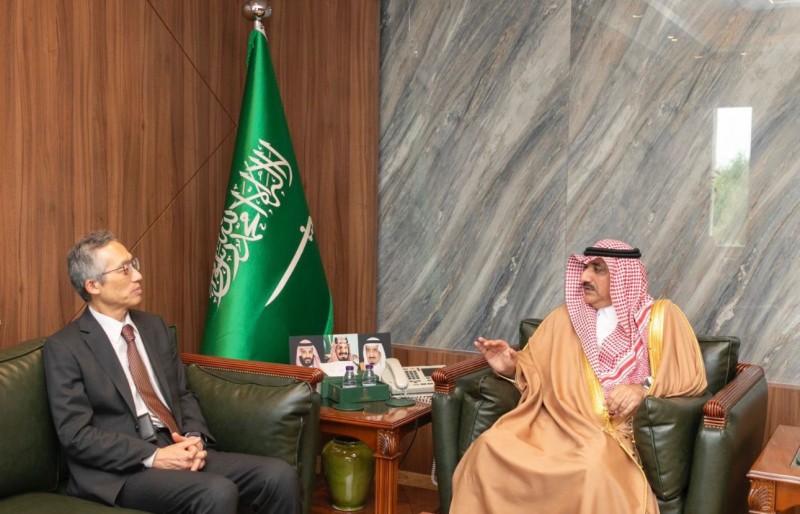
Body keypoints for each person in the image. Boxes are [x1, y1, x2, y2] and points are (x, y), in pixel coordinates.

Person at [44, 231, 299, 514]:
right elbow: (76, 435)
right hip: (122, 471)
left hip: (176, 443)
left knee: (278, 476)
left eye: (134, 264)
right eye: (124, 269)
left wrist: (194, 437)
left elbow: (182, 394)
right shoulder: (65, 347)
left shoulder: (153, 327)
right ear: (93, 285)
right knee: (217, 491)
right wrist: (154, 456)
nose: (138, 276)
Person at [450, 239, 707, 513]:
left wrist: (642, 390)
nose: (584, 277)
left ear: (623, 276)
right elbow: (534, 365)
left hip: (610, 434)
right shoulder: (564, 319)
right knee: (489, 447)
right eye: (584, 268)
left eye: (597, 269)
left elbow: (688, 377)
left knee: (590, 467)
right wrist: (510, 366)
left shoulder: (661, 317)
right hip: (557, 422)